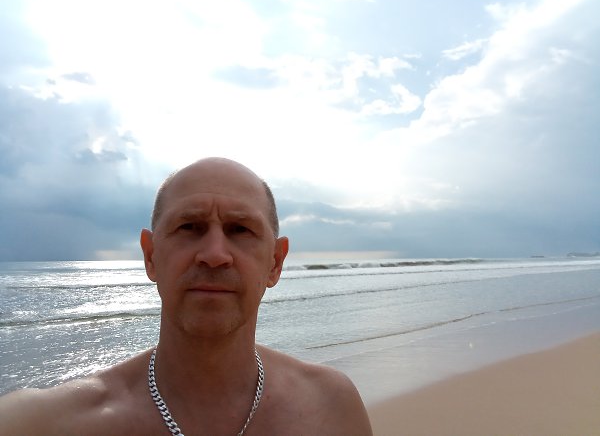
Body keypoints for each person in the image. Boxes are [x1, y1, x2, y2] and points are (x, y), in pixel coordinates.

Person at [0, 157, 373, 435]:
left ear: (275, 262)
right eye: (189, 226)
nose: (214, 254)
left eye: (240, 229)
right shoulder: (43, 423)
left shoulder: (330, 408)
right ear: (151, 256)